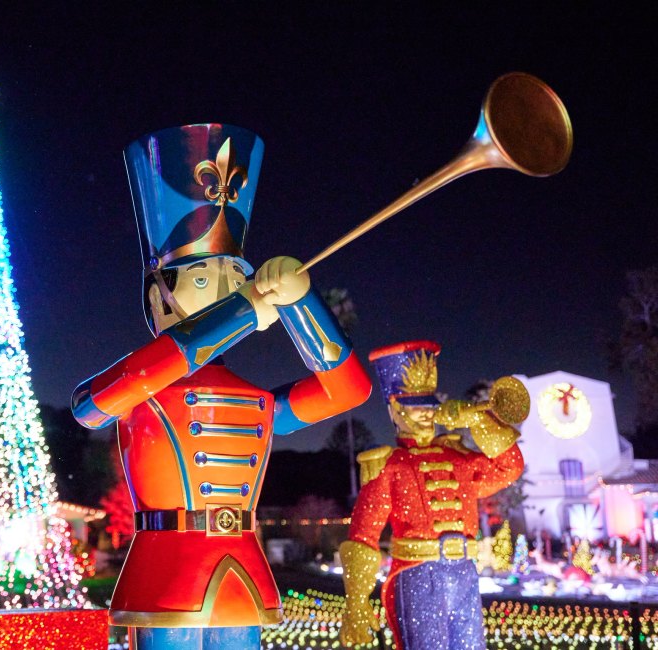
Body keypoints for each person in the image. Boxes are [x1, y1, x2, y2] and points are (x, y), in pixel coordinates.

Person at [71, 124, 372, 650]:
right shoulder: (140, 388)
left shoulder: (257, 401)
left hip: (241, 568)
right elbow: (89, 407)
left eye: (236, 281)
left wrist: (302, 304)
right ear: (159, 298)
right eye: (204, 280)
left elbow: (347, 392)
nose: (229, 293)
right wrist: (241, 312)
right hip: (165, 572)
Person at [339, 341, 526, 649]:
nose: (425, 414)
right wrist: (356, 601)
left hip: (465, 571)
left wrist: (478, 420)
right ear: (394, 410)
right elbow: (363, 534)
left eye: (428, 406)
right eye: (415, 406)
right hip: (418, 575)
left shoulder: (459, 459)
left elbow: (509, 467)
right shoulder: (389, 466)